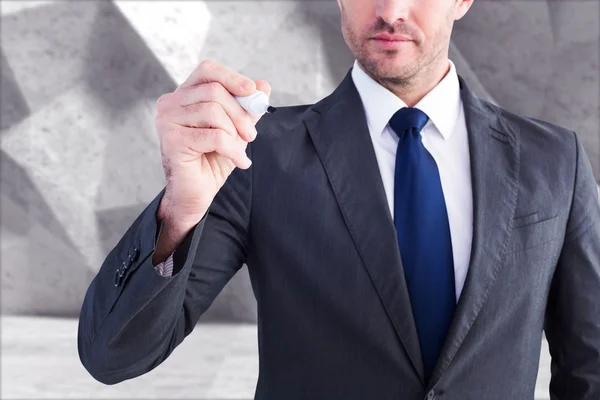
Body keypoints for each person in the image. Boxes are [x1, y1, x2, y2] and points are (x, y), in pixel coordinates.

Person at [77, 0, 600, 398]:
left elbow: (589, 367)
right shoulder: (255, 158)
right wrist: (179, 210)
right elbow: (113, 355)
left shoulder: (554, 159)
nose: (391, 11)